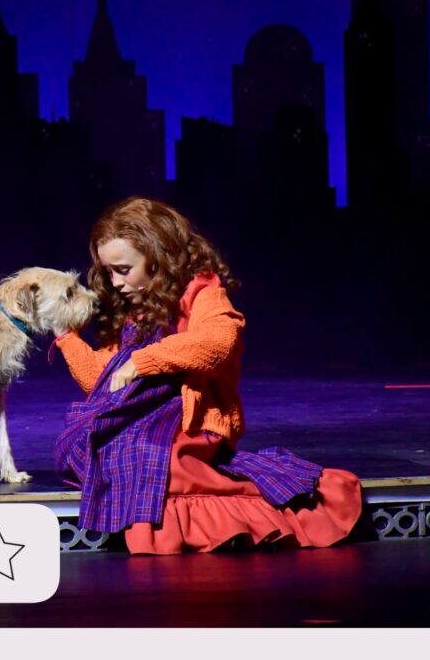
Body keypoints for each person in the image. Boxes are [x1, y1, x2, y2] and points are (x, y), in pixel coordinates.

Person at [53, 197, 362, 554]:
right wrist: (65, 338)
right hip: (143, 418)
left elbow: (218, 343)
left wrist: (143, 360)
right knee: (87, 439)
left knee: (146, 456)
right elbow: (102, 382)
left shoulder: (202, 293)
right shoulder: (133, 309)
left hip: (192, 425)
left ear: (157, 257)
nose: (115, 281)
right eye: (108, 272)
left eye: (123, 269)